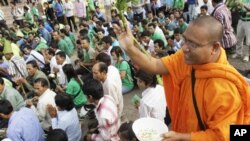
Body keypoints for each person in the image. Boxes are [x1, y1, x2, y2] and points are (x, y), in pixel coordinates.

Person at [113, 16, 250, 140]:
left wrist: (183, 137)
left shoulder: (223, 90)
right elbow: (154, 65)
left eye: (193, 44)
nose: (184, 48)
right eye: (185, 40)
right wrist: (129, 47)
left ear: (214, 48)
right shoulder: (187, 58)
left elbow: (223, 136)